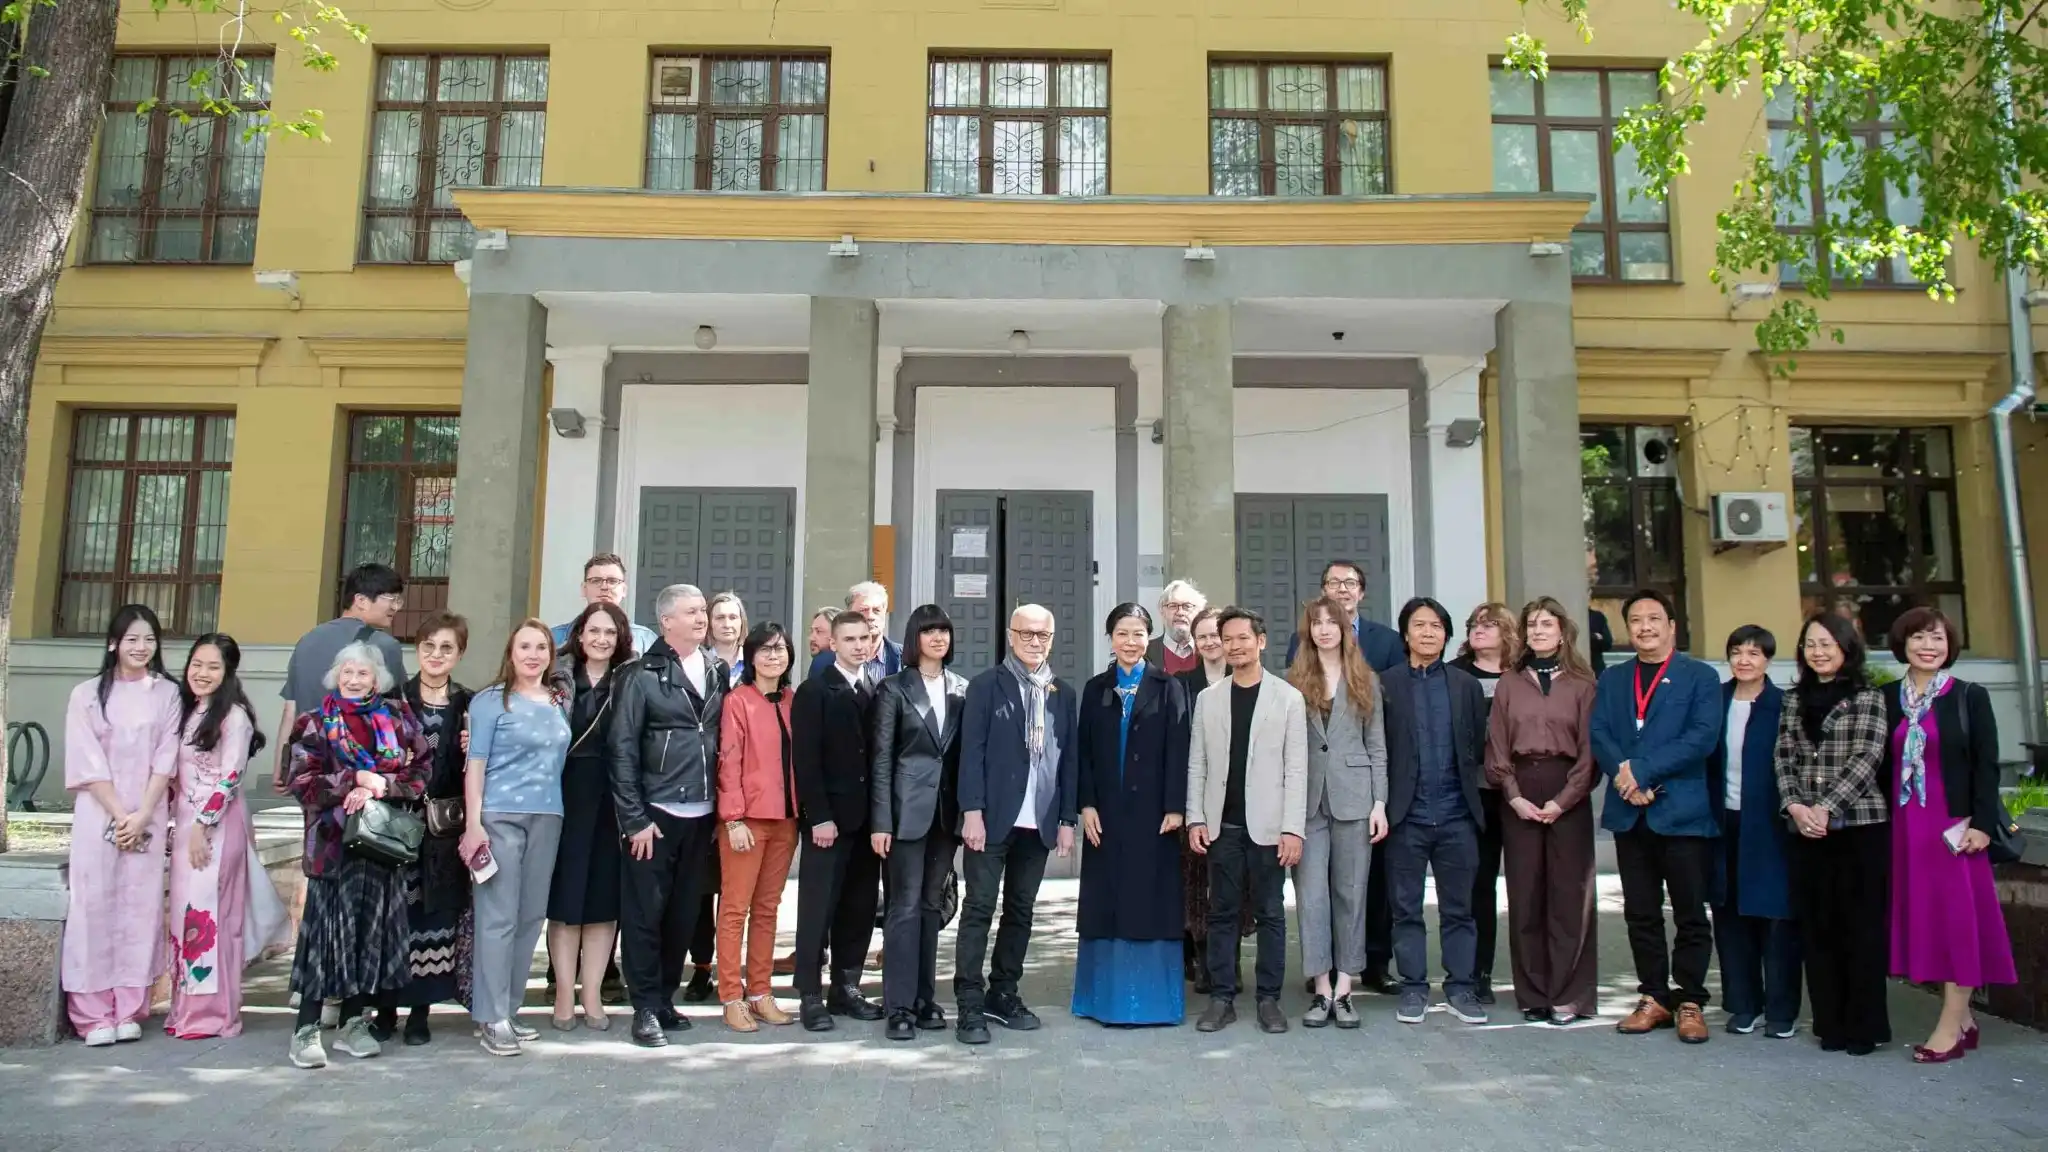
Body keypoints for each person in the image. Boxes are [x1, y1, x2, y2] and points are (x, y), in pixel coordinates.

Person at [284, 642, 431, 1069]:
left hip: (381, 844)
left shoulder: (398, 719)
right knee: (324, 937)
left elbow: (421, 769)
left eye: (363, 673)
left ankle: (353, 1023)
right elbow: (301, 782)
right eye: (347, 671)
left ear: (376, 680)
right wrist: (355, 779)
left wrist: (382, 786)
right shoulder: (314, 722)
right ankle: (306, 1029)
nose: (353, 679)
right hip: (332, 848)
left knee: (369, 935)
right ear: (336, 675)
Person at [1884, 606, 2017, 1063]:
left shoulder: (1968, 695)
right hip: (1905, 829)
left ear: (1950, 645)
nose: (1929, 646)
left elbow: (1987, 765)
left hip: (1953, 829)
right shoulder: (1886, 698)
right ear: (1902, 643)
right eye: (1919, 637)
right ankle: (1964, 1020)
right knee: (1929, 922)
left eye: (1938, 638)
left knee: (1957, 922)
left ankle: (1949, 1025)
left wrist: (1981, 825)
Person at [1593, 589, 1723, 1045]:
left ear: (1671, 625)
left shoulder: (1700, 676)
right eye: (1635, 620)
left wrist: (1643, 771)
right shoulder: (1613, 678)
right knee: (1640, 913)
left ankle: (1690, 1000)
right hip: (1630, 813)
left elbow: (1702, 738)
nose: (1644, 627)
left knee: (1690, 912)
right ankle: (1653, 996)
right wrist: (1625, 777)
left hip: (1682, 813)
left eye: (1653, 618)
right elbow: (1599, 732)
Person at [954, 603, 1079, 1045]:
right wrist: (972, 811)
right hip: (990, 821)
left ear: (1052, 639)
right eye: (1026, 633)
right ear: (1010, 636)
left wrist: (1067, 819)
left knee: (1021, 910)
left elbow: (1069, 760)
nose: (1034, 642)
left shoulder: (1062, 693)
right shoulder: (986, 686)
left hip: (1039, 823)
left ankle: (1003, 992)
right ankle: (969, 1001)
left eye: (1042, 635)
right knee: (979, 908)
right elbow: (971, 752)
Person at [609, 583, 729, 1048]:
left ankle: (664, 999)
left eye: (703, 610)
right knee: (645, 914)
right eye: (691, 611)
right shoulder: (640, 675)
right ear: (666, 622)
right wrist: (634, 819)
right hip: (655, 814)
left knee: (683, 913)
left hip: (702, 814)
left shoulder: (717, 669)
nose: (702, 618)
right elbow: (622, 750)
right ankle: (643, 1007)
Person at [63, 605, 182, 1047]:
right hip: (99, 812)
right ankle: (92, 1013)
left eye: (149, 639)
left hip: (148, 812)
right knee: (93, 906)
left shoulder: (167, 694)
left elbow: (166, 756)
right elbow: (86, 759)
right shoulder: (86, 695)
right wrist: (119, 814)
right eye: (132, 639)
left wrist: (144, 813)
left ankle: (130, 1006)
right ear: (114, 643)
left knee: (140, 905)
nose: (141, 647)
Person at [1774, 612, 1890, 1057]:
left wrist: (1826, 807)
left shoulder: (1868, 697)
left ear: (1846, 648)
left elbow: (1867, 756)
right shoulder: (1793, 700)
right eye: (1810, 644)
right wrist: (1795, 805)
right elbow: (1783, 755)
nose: (1818, 652)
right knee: (1818, 927)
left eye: (1827, 644)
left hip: (1859, 826)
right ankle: (1830, 1024)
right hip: (1805, 826)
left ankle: (1864, 1026)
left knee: (1860, 928)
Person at [1187, 606, 1306, 1035]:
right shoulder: (1208, 699)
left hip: (1270, 828)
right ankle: (1221, 998)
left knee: (1271, 913)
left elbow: (1297, 769)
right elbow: (1197, 764)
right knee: (1221, 913)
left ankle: (1269, 1000)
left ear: (1261, 641)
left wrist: (1292, 828)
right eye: (1228, 639)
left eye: (1243, 638)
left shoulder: (1287, 698)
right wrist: (1195, 818)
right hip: (1223, 827)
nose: (1235, 646)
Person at [1073, 604, 1192, 1027]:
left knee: (1151, 899)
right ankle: (1101, 1000)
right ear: (1110, 638)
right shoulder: (1095, 689)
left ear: (1148, 638)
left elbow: (1180, 747)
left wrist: (1176, 806)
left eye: (1138, 633)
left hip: (1154, 815)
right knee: (1106, 900)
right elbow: (1083, 752)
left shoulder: (1169, 686)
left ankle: (1155, 1003)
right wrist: (1086, 803)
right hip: (1105, 814)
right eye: (1122, 633)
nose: (1130, 641)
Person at [460, 621, 572, 1057]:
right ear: (511, 652)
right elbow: (475, 764)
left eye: (541, 647)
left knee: (530, 917)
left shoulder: (559, 701)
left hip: (548, 816)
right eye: (524, 646)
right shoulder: (490, 701)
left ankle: (508, 1009)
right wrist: (474, 824)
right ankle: (490, 1016)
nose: (533, 654)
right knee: (498, 917)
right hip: (499, 817)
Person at [1485, 597, 1600, 1025]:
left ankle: (1570, 995)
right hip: (1519, 789)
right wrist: (1513, 795)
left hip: (1568, 789)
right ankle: (1533, 993)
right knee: (1526, 895)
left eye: (1546, 624)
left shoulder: (1583, 684)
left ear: (1562, 631)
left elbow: (1590, 751)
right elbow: (1497, 744)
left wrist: (1564, 800)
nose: (1538, 630)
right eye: (1532, 624)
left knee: (1570, 897)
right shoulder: (1509, 683)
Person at [166, 633, 284, 1040]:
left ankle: (217, 1015)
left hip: (216, 827)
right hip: (186, 827)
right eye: (196, 664)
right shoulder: (188, 711)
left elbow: (230, 777)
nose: (202, 673)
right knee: (186, 918)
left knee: (212, 919)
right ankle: (186, 1011)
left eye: (213, 667)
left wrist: (201, 827)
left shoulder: (234, 717)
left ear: (228, 672)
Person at [1380, 596, 1491, 1026]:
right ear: (1405, 634)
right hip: (1405, 816)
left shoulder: (1465, 686)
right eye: (1420, 625)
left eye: (1437, 626)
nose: (1428, 632)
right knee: (1405, 909)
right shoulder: (1385, 684)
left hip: (1456, 814)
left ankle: (1461, 988)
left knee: (1459, 909)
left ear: (1446, 635)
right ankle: (1413, 988)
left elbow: (1475, 745)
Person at [1287, 597, 1387, 1029]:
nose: (1324, 629)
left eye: (1332, 622)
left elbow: (1377, 747)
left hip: (1355, 798)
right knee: (1311, 897)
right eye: (1316, 622)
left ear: (1345, 629)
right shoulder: (1293, 680)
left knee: (1351, 893)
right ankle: (1321, 987)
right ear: (1308, 630)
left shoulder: (1366, 678)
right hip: (1307, 803)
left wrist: (1379, 804)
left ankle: (1345, 988)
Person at [871, 605, 970, 1040]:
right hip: (904, 813)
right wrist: (880, 821)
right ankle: (898, 1006)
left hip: (946, 815)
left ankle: (925, 999)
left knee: (932, 906)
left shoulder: (962, 688)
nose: (938, 638)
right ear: (915, 638)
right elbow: (881, 759)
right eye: (929, 631)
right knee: (904, 907)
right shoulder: (893, 688)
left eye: (944, 630)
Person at [378, 612, 474, 1046]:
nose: (436, 655)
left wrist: (473, 749)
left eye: (446, 648)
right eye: (428, 646)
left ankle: (420, 1012)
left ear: (459, 654)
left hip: (443, 829)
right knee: (393, 914)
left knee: (434, 917)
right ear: (417, 650)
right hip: (396, 823)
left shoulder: (468, 704)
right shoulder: (392, 699)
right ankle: (384, 1009)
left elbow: (478, 766)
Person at [791, 610, 887, 1031]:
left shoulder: (877, 688)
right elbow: (806, 760)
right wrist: (819, 817)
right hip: (828, 822)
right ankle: (810, 994)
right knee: (818, 909)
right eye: (849, 639)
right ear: (833, 644)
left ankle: (846, 987)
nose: (859, 646)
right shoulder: (815, 691)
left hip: (867, 822)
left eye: (864, 638)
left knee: (859, 907)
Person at [1708, 625, 1801, 1039]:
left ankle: (1781, 1009)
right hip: (1723, 820)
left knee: (1776, 916)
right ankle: (1744, 1004)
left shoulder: (1785, 705)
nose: (1744, 660)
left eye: (1754, 653)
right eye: (1737, 652)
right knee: (1729, 913)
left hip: (1770, 822)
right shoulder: (1715, 700)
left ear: (1768, 660)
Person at [546, 603, 632, 1032]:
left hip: (613, 798)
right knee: (565, 903)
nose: (601, 639)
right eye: (594, 631)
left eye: (610, 633)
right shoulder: (556, 677)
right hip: (563, 794)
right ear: (579, 635)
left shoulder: (631, 678)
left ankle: (593, 993)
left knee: (602, 901)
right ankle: (564, 992)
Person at [713, 622, 800, 1033]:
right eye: (764, 649)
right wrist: (732, 818)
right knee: (735, 909)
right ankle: (731, 996)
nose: (773, 656)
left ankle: (761, 992)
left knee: (767, 909)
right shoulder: (738, 701)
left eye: (780, 649)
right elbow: (728, 761)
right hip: (746, 821)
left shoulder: (793, 701)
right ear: (750, 657)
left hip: (786, 820)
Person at [273, 562, 407, 789]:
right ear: (361, 600)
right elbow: (397, 713)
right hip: (361, 775)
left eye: (398, 600)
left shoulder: (306, 641)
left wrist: (281, 766)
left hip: (313, 774)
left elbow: (290, 711)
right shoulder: (384, 645)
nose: (396, 607)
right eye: (390, 599)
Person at [1451, 600, 1519, 1006]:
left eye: (1489, 624)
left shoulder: (1523, 676)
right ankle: (1478, 972)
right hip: (1474, 795)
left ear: (1506, 632)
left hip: (1521, 794)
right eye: (1474, 624)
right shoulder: (1456, 675)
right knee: (1479, 885)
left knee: (1525, 885)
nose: (1478, 630)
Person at [1174, 605, 1244, 994]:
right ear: (1195, 644)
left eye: (1216, 634)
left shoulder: (1247, 678)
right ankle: (1204, 961)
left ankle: (1231, 961)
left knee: (1234, 883)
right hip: (1197, 797)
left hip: (1239, 797)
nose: (1210, 642)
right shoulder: (1181, 683)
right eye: (1202, 637)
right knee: (1198, 885)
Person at [1282, 560, 1405, 672]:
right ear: (1323, 592)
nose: (1342, 589)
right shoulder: (1300, 639)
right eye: (1334, 583)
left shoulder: (1389, 640)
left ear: (1361, 593)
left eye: (1350, 583)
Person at [551, 552, 658, 656]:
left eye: (612, 581)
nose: (604, 587)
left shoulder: (645, 639)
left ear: (624, 590)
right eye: (596, 581)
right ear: (584, 589)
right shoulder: (554, 638)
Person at [807, 581, 904, 680]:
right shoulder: (823, 662)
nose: (870, 616)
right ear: (849, 614)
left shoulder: (903, 658)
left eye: (876, 611)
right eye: (863, 610)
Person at [1145, 579, 1207, 676]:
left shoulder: (1209, 649)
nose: (1180, 612)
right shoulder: (1145, 652)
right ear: (1162, 612)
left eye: (1187, 606)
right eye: (1173, 606)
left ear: (1198, 612)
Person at [708, 592, 749, 684]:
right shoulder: (699, 662)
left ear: (742, 622)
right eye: (720, 618)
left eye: (733, 617)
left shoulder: (754, 661)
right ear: (710, 623)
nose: (727, 625)